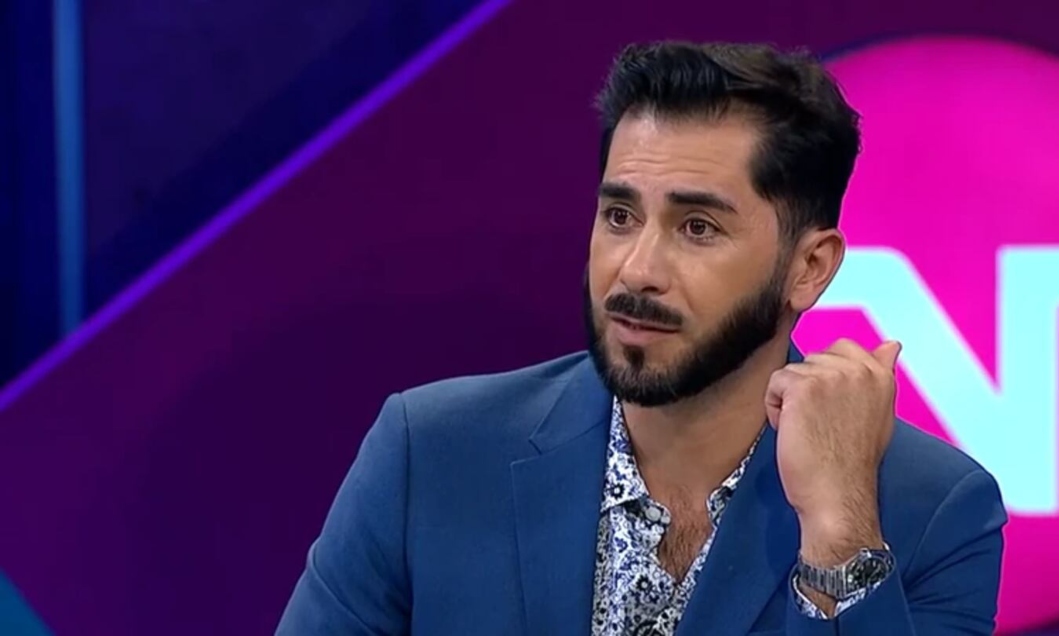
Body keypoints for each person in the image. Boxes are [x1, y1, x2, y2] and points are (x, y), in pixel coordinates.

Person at [276, 41, 1006, 635]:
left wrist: (840, 530)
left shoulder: (934, 513)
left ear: (808, 268)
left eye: (698, 227)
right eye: (620, 216)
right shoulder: (432, 453)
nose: (637, 270)